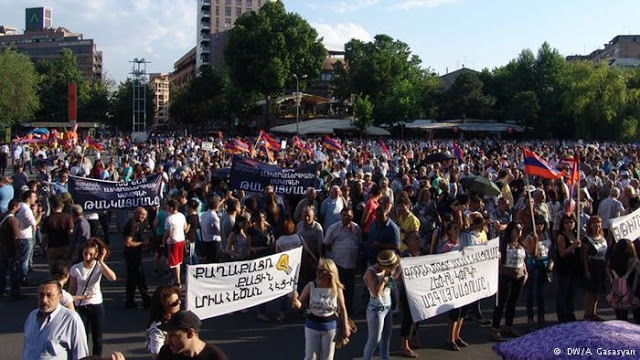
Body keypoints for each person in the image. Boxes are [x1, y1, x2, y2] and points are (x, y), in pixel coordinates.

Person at [291, 258, 350, 360]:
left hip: (330, 328)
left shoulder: (336, 288)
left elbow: (343, 309)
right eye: (318, 270)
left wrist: (345, 327)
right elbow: (299, 306)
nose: (319, 274)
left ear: (331, 274)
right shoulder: (311, 286)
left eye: (322, 271)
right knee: (310, 357)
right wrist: (294, 299)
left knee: (327, 358)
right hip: (312, 326)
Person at [69, 238, 117, 357]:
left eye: (91, 254)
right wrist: (75, 300)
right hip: (81, 305)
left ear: (96, 254)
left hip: (96, 304)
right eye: (85, 253)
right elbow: (72, 289)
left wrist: (101, 261)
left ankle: (97, 358)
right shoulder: (76, 268)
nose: (88, 257)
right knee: (82, 337)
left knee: (98, 338)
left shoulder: (99, 266)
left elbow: (113, 278)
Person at [23, 280, 89, 360]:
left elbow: (81, 355)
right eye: (41, 295)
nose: (44, 300)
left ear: (60, 297)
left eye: (49, 295)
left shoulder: (71, 319)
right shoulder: (32, 316)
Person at [491, 221, 528, 342]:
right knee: (501, 303)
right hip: (505, 276)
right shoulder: (504, 244)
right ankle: (495, 328)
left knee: (512, 302)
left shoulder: (521, 245)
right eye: (516, 229)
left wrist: (525, 273)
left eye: (520, 229)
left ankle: (509, 326)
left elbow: (523, 260)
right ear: (511, 230)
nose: (519, 232)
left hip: (519, 277)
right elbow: (498, 260)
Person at [362, 250, 401, 360]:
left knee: (386, 338)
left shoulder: (388, 271)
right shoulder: (371, 272)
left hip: (387, 307)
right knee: (374, 341)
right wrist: (384, 279)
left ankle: (385, 358)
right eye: (392, 266)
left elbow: (391, 285)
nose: (394, 268)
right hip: (376, 310)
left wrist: (394, 275)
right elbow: (376, 293)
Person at [323, 207, 362, 314]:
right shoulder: (333, 228)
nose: (346, 217)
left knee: (350, 289)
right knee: (337, 287)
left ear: (352, 216)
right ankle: (337, 308)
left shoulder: (356, 228)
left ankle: (348, 309)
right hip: (338, 264)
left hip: (352, 264)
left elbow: (359, 243)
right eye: (344, 215)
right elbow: (326, 244)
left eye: (348, 215)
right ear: (341, 216)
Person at [157, 310, 229, 360]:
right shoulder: (166, 352)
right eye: (168, 335)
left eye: (173, 335)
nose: (168, 341)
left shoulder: (215, 357)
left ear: (190, 333)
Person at [398, 231, 421, 357]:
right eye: (415, 239)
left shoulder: (421, 253)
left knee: (416, 317)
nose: (418, 241)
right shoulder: (406, 256)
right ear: (408, 242)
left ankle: (410, 339)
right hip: (407, 293)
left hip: (418, 292)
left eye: (418, 238)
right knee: (408, 319)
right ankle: (404, 345)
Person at [123, 207, 151, 309]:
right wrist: (142, 243)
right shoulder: (132, 225)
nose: (144, 218)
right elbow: (128, 242)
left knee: (135, 279)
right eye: (142, 215)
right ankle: (143, 300)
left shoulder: (136, 224)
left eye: (145, 216)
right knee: (137, 278)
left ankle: (136, 300)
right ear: (136, 214)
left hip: (134, 254)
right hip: (132, 255)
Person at [581, 215, 608, 321]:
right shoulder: (587, 239)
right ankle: (587, 313)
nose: (597, 225)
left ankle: (593, 312)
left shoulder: (603, 237)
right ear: (590, 225)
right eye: (594, 223)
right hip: (592, 265)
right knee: (590, 291)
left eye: (598, 223)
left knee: (597, 291)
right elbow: (584, 256)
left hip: (601, 265)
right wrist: (587, 271)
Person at [555, 214, 580, 323]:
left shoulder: (576, 235)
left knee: (571, 292)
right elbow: (562, 253)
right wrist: (573, 246)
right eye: (566, 222)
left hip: (574, 267)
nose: (569, 225)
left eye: (571, 222)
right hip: (564, 267)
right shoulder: (561, 236)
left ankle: (570, 313)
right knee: (563, 292)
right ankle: (562, 315)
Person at [608, 239, 640, 323]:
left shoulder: (612, 261)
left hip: (618, 292)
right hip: (634, 290)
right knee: (637, 315)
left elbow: (609, 273)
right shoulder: (634, 261)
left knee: (621, 318)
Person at [146, 285, 182, 359]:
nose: (179, 303)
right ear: (163, 306)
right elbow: (157, 354)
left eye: (178, 300)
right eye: (175, 303)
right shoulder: (157, 329)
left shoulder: (177, 319)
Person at [41, 195, 74, 267]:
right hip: (65, 247)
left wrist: (43, 249)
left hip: (52, 248)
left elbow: (44, 237)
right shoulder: (68, 217)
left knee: (53, 270)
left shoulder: (47, 219)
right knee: (65, 269)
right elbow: (70, 233)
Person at [0, 199, 23, 299]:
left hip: (3, 247)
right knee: (14, 271)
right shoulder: (12, 220)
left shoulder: (4, 216)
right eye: (19, 206)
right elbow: (16, 237)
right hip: (10, 249)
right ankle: (15, 293)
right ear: (15, 206)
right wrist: (18, 251)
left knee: (2, 271)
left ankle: (2, 290)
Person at [17, 190, 41, 286]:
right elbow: (34, 224)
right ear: (28, 198)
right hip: (26, 237)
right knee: (24, 260)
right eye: (33, 197)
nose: (35, 199)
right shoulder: (27, 210)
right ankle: (23, 278)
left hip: (20, 235)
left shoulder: (20, 206)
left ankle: (21, 277)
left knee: (21, 259)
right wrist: (39, 214)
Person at [163, 199, 187, 288]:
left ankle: (177, 281)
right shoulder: (182, 215)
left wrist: (163, 240)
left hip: (173, 242)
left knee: (174, 262)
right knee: (178, 261)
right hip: (181, 240)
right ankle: (176, 279)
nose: (166, 208)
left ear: (171, 208)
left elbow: (167, 232)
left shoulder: (169, 219)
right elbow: (185, 226)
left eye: (168, 206)